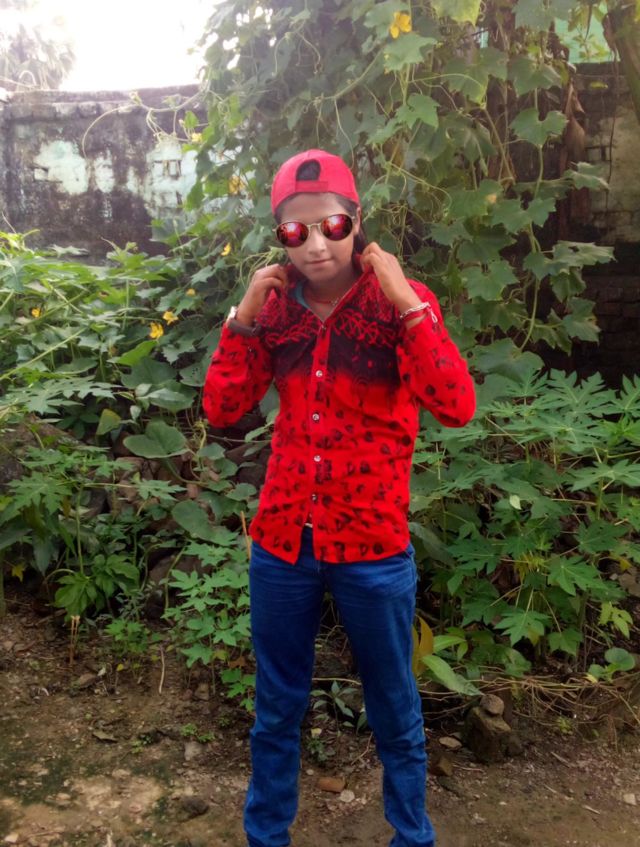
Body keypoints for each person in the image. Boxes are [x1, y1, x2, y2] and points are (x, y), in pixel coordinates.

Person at [202, 149, 476, 847]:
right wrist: (242, 318)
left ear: (356, 220)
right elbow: (223, 407)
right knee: (276, 707)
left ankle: (412, 837)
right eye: (294, 232)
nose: (316, 245)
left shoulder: (397, 302)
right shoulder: (274, 312)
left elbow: (455, 405)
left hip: (373, 545)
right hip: (283, 542)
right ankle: (267, 837)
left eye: (331, 225)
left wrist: (407, 302)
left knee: (394, 705)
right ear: (279, 236)